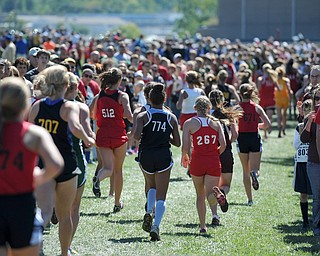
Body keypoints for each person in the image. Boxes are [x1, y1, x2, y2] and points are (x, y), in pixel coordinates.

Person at [28, 65, 95, 256]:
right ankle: (64, 253)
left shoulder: (37, 106)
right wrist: (88, 139)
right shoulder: (68, 106)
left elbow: (28, 132)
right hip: (66, 164)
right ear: (66, 85)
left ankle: (38, 245)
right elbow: (75, 127)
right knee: (65, 215)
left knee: (45, 211)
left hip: (44, 164)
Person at [0, 77, 63, 256]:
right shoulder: (33, 133)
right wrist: (36, 178)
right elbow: (56, 164)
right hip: (21, 205)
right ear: (24, 104)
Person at [134, 82, 180, 241]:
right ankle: (156, 226)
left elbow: (136, 136)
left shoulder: (143, 115)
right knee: (162, 195)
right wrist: (164, 134)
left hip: (146, 155)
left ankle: (148, 212)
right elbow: (177, 142)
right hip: (163, 155)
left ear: (149, 99)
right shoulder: (171, 117)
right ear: (164, 99)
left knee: (151, 186)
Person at [181, 95, 226, 233]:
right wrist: (214, 154)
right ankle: (217, 195)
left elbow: (185, 146)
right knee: (210, 192)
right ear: (209, 108)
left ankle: (202, 226)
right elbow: (223, 145)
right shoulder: (216, 123)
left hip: (198, 160)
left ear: (195, 108)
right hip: (213, 160)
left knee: (200, 195)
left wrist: (185, 157)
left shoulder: (189, 123)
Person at [91, 67, 133, 213]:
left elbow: (92, 113)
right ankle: (116, 203)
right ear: (120, 80)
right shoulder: (122, 95)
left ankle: (97, 178)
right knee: (118, 170)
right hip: (118, 134)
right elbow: (128, 114)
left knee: (108, 168)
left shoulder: (99, 95)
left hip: (102, 134)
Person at [64, 72, 95, 252]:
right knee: (74, 207)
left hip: (52, 159)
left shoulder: (42, 105)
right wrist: (93, 139)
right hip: (74, 159)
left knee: (46, 205)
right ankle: (66, 246)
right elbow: (87, 137)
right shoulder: (81, 108)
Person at [209, 89, 243, 219]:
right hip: (226, 152)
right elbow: (235, 135)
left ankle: (214, 215)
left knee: (211, 186)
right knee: (226, 184)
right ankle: (222, 192)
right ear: (222, 100)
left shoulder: (207, 115)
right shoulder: (228, 114)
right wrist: (228, 142)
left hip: (211, 152)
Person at [236, 83, 271, 206]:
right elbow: (267, 124)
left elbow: (233, 124)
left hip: (242, 138)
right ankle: (255, 175)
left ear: (240, 94)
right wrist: (258, 125)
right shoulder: (257, 107)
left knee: (245, 170)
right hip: (254, 137)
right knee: (255, 168)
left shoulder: (237, 108)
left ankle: (250, 199)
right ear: (252, 94)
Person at [301, 86, 320, 236]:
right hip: (314, 162)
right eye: (316, 99)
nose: (318, 102)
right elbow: (304, 139)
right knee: (317, 197)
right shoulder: (310, 117)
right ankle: (317, 228)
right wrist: (309, 122)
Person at [293, 99, 312, 229]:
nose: (307, 113)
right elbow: (296, 144)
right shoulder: (299, 126)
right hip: (301, 161)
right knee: (303, 193)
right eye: (305, 110)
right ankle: (305, 221)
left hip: (312, 161)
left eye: (308, 110)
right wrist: (301, 135)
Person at [257, 63, 278, 139]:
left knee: (267, 118)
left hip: (268, 101)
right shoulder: (261, 79)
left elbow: (258, 89)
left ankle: (268, 128)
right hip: (265, 101)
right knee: (266, 119)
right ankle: (265, 133)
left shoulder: (273, 79)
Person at [275, 66, 292, 137]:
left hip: (278, 99)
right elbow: (289, 90)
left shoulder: (275, 80)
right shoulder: (286, 80)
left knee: (279, 116)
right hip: (285, 99)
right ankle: (283, 129)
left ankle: (279, 130)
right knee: (284, 115)